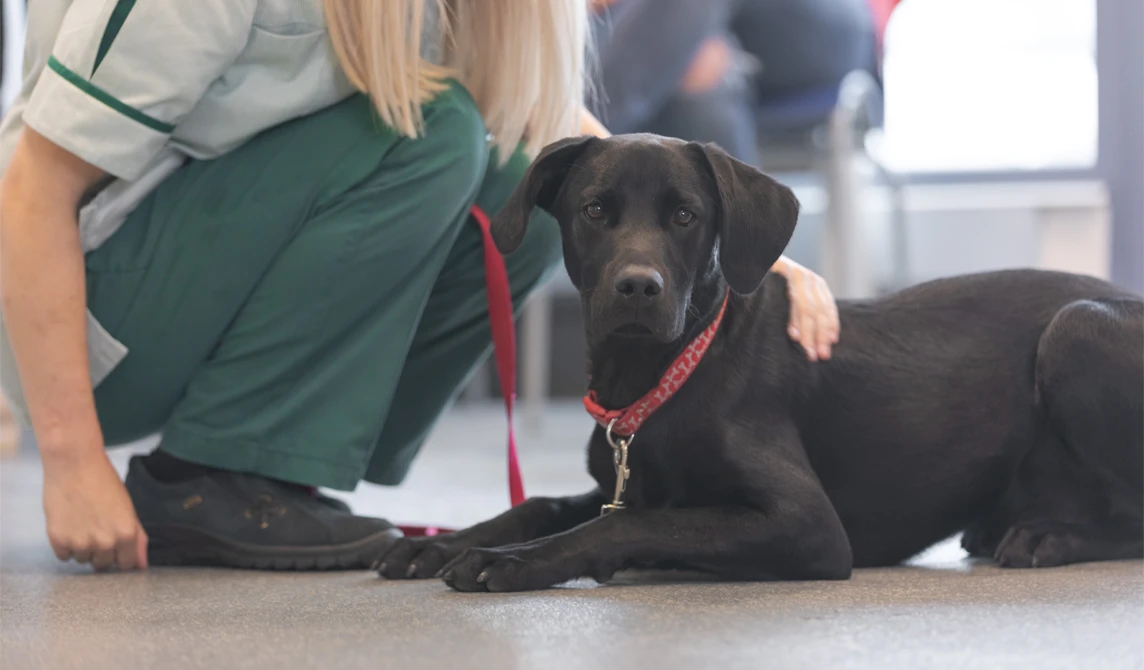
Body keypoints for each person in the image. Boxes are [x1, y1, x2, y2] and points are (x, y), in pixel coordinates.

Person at [0, 0, 839, 573]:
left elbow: (547, 130)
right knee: (432, 133)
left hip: (183, 299)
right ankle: (201, 477)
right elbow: (30, 190)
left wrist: (748, 248)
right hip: (85, 324)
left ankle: (259, 470)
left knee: (519, 179)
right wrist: (71, 463)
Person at [592, 0, 881, 167]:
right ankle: (745, 261)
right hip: (718, 27)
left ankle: (577, 135)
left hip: (831, 23)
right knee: (702, 81)